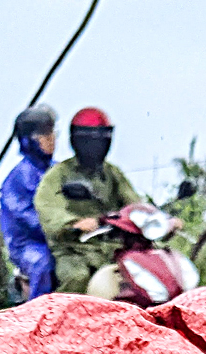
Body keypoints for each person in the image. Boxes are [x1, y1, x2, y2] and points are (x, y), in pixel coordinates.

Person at [34, 107, 143, 294]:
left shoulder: (111, 173)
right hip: (74, 250)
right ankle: (64, 321)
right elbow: (47, 206)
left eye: (101, 138)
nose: (97, 145)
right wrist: (74, 223)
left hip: (112, 247)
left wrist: (158, 219)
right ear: (78, 141)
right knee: (76, 277)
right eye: (91, 140)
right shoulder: (60, 175)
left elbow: (133, 203)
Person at [0, 104, 57, 299]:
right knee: (43, 263)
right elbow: (26, 217)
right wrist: (59, 227)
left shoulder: (59, 171)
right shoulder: (18, 178)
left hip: (62, 239)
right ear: (28, 140)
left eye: (52, 132)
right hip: (29, 244)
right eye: (44, 134)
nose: (51, 139)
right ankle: (39, 317)